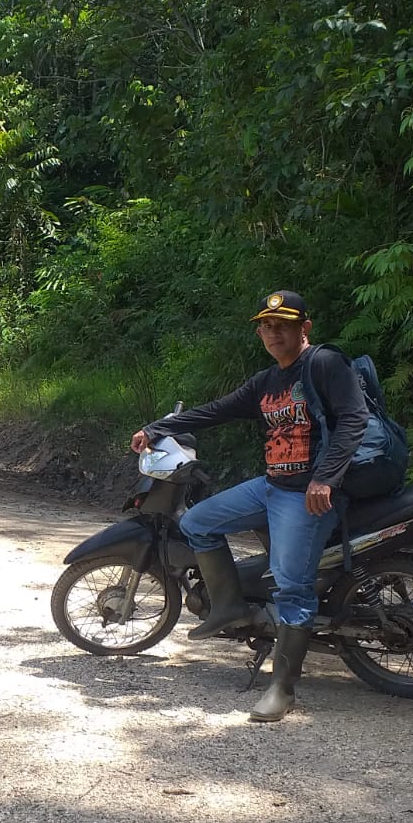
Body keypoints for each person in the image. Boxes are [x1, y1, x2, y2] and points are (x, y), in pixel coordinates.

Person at [130, 290, 368, 722]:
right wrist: (156, 427)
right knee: (198, 522)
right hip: (273, 486)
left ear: (304, 328)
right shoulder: (267, 381)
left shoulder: (325, 364)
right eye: (267, 325)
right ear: (260, 331)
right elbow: (215, 411)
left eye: (285, 324)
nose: (274, 332)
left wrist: (324, 477)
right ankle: (230, 608)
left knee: (292, 586)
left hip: (307, 494)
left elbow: (355, 418)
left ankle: (282, 689)